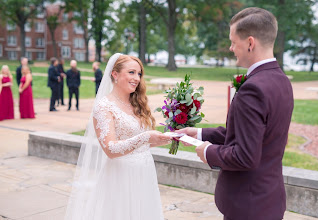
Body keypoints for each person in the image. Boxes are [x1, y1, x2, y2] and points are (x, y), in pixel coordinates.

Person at [177, 7, 294, 220]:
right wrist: (201, 134)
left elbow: (245, 156)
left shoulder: (254, 88)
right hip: (268, 197)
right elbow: (253, 135)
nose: (231, 48)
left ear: (250, 43)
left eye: (233, 42)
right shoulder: (281, 80)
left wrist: (208, 151)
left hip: (248, 205)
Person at [64, 53, 172, 220]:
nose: (136, 78)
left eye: (139, 74)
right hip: (120, 177)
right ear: (114, 74)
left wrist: (165, 138)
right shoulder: (104, 107)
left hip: (144, 174)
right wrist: (146, 137)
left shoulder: (137, 104)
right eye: (131, 72)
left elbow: (139, 144)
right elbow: (110, 149)